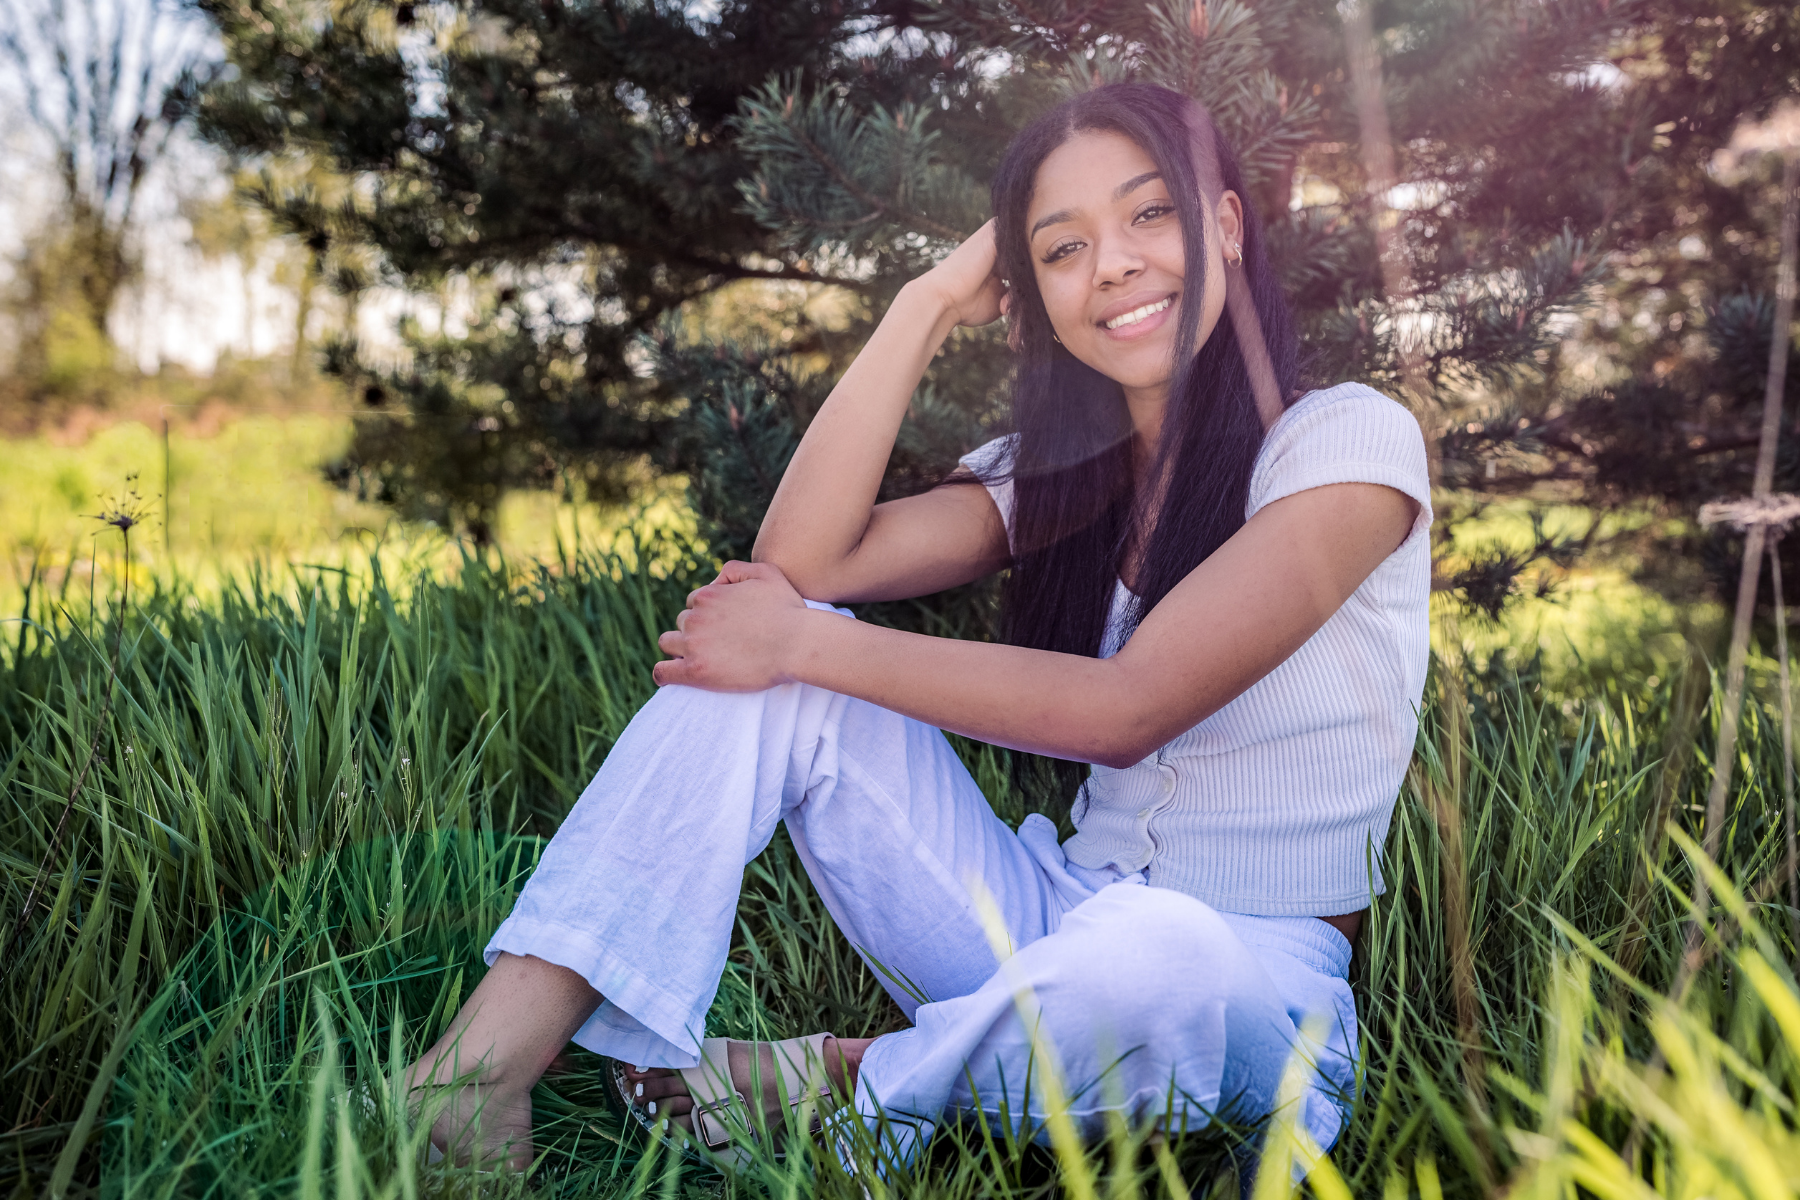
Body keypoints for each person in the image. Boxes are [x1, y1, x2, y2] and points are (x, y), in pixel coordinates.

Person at [406, 81, 1431, 1172]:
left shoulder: (1347, 446)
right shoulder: (1059, 483)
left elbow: (1130, 712)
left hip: (1247, 988)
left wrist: (804, 639)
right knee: (774, 667)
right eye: (1061, 247)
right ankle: (472, 1079)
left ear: (1225, 224)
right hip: (1045, 920)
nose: (1117, 265)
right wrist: (925, 304)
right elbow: (799, 568)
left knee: (1155, 953)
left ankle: (840, 1080)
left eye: (1151, 214)